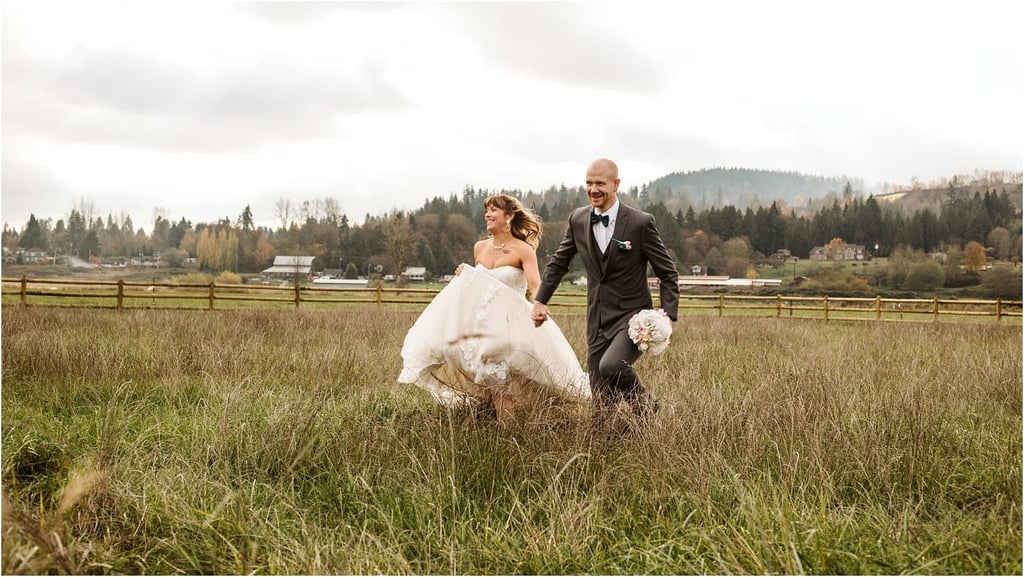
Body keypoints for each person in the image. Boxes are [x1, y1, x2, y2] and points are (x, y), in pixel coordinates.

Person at [398, 194, 590, 425]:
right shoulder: (480, 247)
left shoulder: (523, 249)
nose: (487, 215)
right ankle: (492, 422)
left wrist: (540, 305)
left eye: (493, 210)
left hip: (509, 324)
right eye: (486, 210)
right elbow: (478, 285)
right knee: (488, 381)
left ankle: (507, 435)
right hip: (479, 324)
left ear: (509, 216)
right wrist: (465, 274)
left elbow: (535, 284)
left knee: (501, 383)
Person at [531, 158, 679, 422]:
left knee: (612, 365)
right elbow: (558, 263)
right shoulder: (578, 219)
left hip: (632, 318)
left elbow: (667, 272)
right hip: (596, 318)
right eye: (589, 183)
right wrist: (540, 300)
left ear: (616, 184)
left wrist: (666, 316)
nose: (593, 189)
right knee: (602, 408)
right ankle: (611, 443)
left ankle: (645, 407)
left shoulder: (640, 223)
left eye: (600, 183)